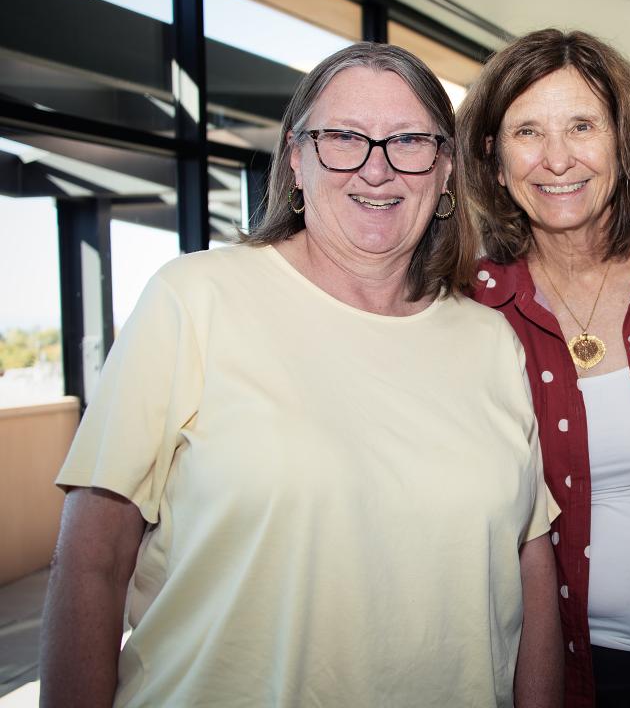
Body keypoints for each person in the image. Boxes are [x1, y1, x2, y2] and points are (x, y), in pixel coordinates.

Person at [38, 42, 562, 708]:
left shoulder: (489, 341)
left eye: (409, 140)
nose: (377, 168)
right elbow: (93, 560)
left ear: (445, 169)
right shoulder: (194, 299)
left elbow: (531, 568)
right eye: (343, 137)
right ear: (295, 156)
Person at [458, 29, 630, 707]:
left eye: (582, 126)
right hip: (555, 674)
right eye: (528, 132)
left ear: (624, 141)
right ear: (494, 160)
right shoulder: (469, 311)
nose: (557, 158)